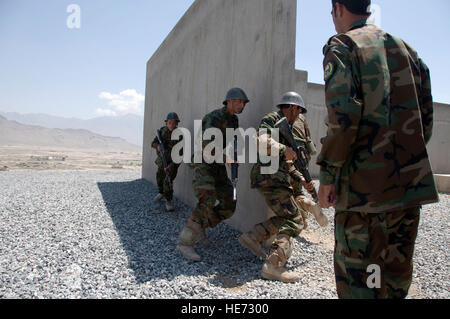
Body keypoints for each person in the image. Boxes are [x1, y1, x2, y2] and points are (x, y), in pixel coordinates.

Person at [317, 0, 439, 298]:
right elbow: (425, 122)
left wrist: (329, 176)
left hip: (363, 200)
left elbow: (343, 119)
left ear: (339, 9)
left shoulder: (342, 47)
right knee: (393, 286)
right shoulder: (407, 51)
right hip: (407, 194)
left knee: (361, 286)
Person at [241, 92, 315, 283]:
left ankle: (253, 237)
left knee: (287, 216)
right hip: (269, 177)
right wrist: (284, 149)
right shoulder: (273, 119)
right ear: (293, 108)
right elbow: (261, 141)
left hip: (276, 178)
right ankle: (273, 266)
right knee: (295, 219)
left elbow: (288, 164)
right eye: (298, 112)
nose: (299, 116)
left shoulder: (289, 128)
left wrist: (302, 179)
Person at [176, 88, 250, 262]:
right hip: (204, 163)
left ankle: (201, 225)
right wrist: (226, 158)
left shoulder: (234, 120)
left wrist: (234, 155)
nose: (241, 105)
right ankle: (184, 243)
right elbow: (205, 143)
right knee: (207, 199)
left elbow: (232, 141)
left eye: (243, 103)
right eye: (239, 101)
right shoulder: (213, 117)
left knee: (229, 203)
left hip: (217, 164)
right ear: (229, 101)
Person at [291, 110, 328, 228]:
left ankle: (304, 216)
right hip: (303, 156)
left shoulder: (280, 118)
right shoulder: (301, 118)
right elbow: (309, 140)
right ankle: (306, 216)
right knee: (298, 190)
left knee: (292, 192)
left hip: (289, 156)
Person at [151, 112, 182, 212]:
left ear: (177, 124)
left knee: (168, 181)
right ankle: (161, 192)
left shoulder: (179, 135)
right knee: (159, 177)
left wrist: (172, 165)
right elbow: (153, 143)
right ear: (166, 123)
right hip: (162, 161)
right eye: (169, 123)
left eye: (174, 123)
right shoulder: (162, 131)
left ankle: (168, 201)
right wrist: (158, 146)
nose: (172, 125)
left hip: (173, 162)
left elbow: (180, 153)